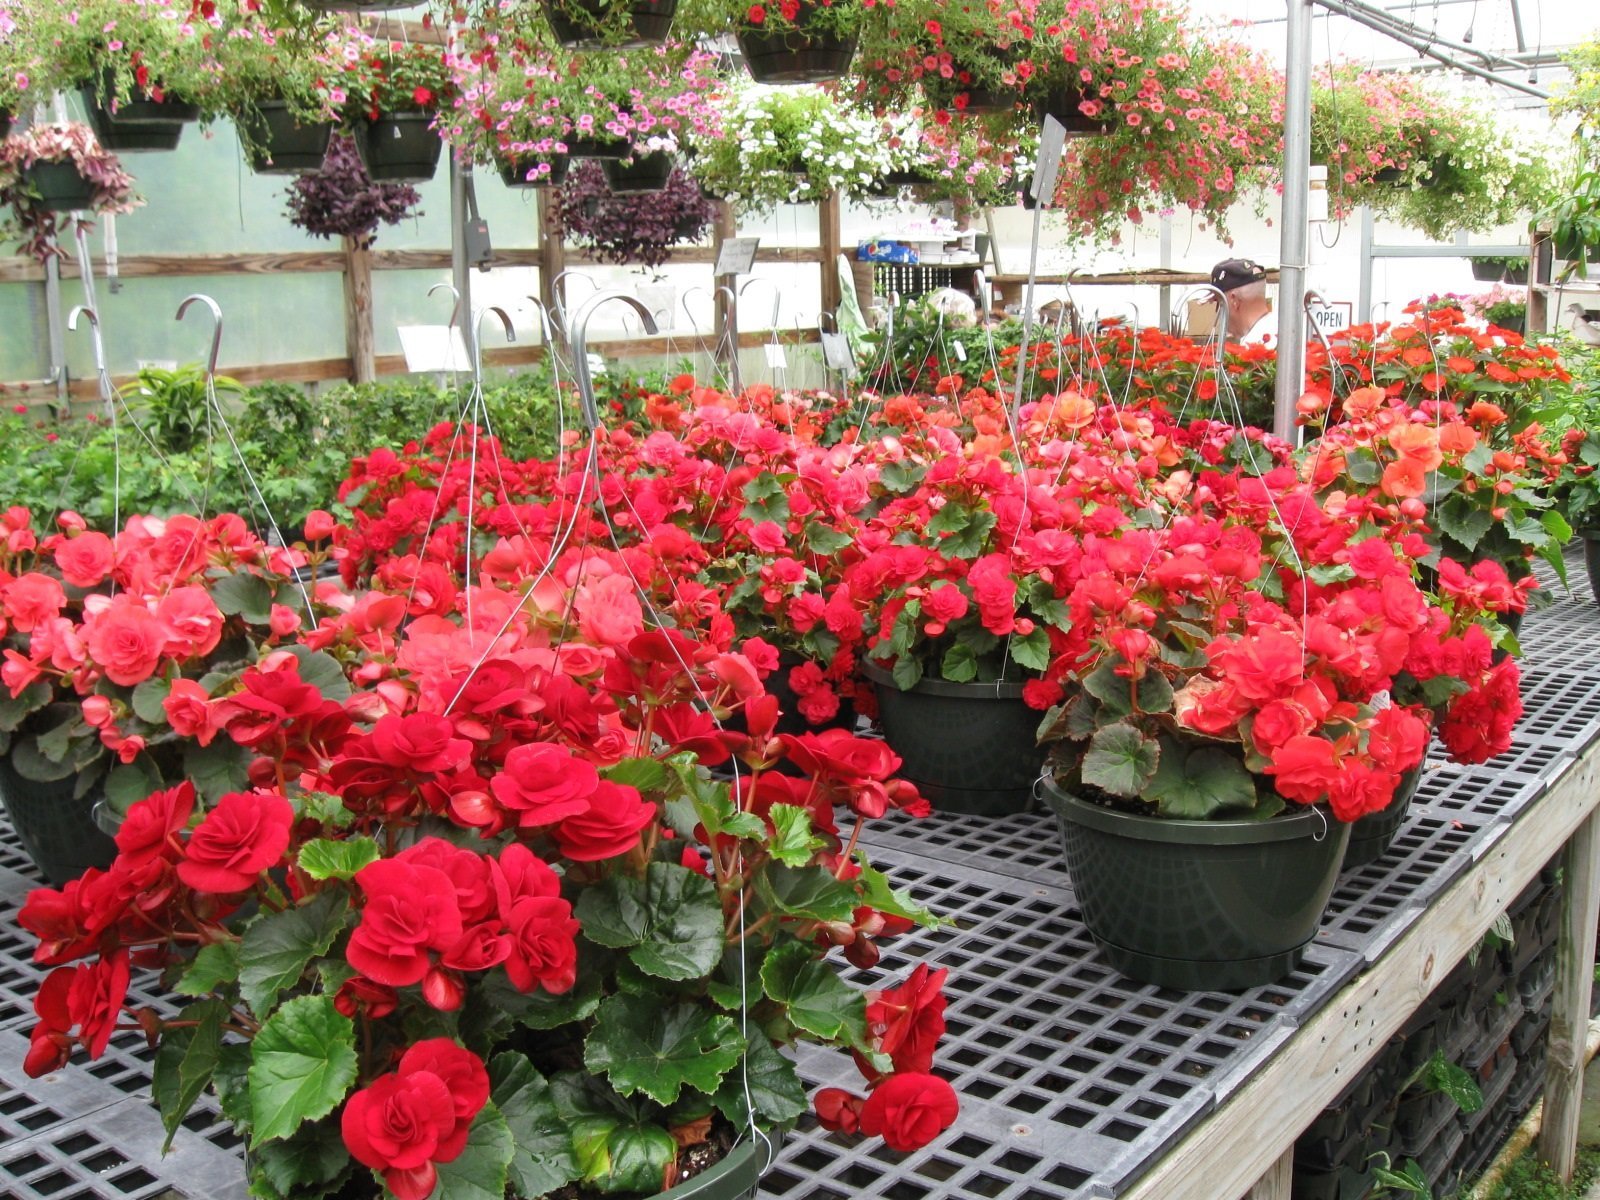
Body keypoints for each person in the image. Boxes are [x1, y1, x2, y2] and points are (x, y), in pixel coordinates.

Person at [1209, 258, 1274, 343]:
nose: (1218, 312)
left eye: (1219, 303)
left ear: (1234, 301)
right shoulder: (1284, 330)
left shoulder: (1255, 346)